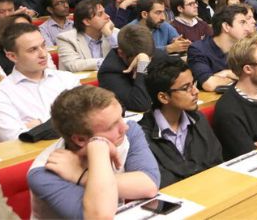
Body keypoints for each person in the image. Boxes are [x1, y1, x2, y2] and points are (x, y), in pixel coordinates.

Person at [27, 85, 160, 219]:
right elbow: (99, 216)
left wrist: (81, 175)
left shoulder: (130, 131)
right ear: (80, 139)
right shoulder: (44, 172)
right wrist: (99, 147)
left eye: (121, 116)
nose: (124, 127)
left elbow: (150, 185)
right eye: (112, 126)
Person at [0, 23, 80, 142]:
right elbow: (13, 139)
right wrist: (60, 121)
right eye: (33, 50)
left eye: (43, 45)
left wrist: (37, 126)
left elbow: (86, 120)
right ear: (12, 56)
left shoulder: (68, 79)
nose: (43, 54)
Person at [139, 56, 222, 187]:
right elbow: (163, 183)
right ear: (164, 97)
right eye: (186, 88)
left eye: (193, 84)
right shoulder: (142, 137)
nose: (195, 91)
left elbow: (216, 162)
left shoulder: (198, 119)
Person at [188, 5, 254, 91]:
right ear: (226, 26)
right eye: (242, 22)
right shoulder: (198, 49)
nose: (247, 28)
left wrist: (226, 74)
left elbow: (254, 75)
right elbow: (209, 84)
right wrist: (235, 75)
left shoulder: (243, 47)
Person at [98, 24, 160, 113]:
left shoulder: (150, 52)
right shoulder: (109, 72)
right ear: (121, 53)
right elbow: (140, 104)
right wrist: (142, 67)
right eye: (137, 58)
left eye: (149, 58)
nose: (148, 61)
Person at [56, 0, 118, 72]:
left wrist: (109, 35)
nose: (108, 16)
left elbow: (125, 58)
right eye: (100, 14)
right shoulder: (66, 38)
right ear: (87, 21)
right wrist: (107, 62)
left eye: (105, 12)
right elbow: (74, 65)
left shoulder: (115, 33)